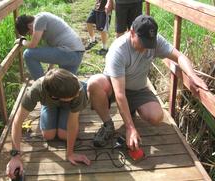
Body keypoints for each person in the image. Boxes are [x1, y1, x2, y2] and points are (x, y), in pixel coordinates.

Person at [87, 15, 208, 150]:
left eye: (149, 44)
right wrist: (130, 128)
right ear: (132, 32)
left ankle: (131, 108)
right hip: (114, 88)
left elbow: (179, 56)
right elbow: (120, 93)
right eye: (142, 43)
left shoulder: (155, 41)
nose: (145, 48)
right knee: (94, 83)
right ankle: (107, 125)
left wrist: (192, 75)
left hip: (137, 89)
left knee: (156, 117)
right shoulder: (118, 50)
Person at [6, 68, 90, 179]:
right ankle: (48, 106)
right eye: (73, 96)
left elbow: (72, 124)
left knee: (64, 135)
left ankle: (71, 109)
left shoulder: (78, 90)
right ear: (54, 96)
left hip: (69, 106)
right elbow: (17, 121)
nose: (77, 94)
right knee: (48, 135)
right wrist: (15, 156)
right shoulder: (35, 90)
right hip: (50, 103)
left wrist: (70, 153)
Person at [15, 12, 85, 80]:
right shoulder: (43, 21)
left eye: (29, 33)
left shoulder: (40, 20)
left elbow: (33, 45)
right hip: (76, 53)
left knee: (28, 54)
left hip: (69, 52)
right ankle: (89, 87)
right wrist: (49, 68)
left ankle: (41, 87)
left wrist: (22, 41)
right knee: (65, 86)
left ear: (29, 26)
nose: (31, 35)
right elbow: (51, 48)